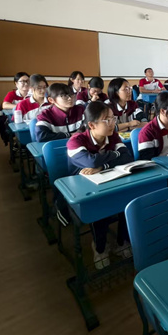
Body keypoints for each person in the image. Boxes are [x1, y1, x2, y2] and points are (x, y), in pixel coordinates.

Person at [66, 102, 133, 269]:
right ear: (91, 125)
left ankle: (122, 241)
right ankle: (100, 248)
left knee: (128, 201)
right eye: (106, 120)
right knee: (100, 208)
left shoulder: (113, 136)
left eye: (113, 119)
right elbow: (91, 161)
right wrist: (114, 155)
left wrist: (103, 166)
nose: (112, 123)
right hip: (83, 190)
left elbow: (127, 157)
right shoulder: (75, 141)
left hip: (110, 181)